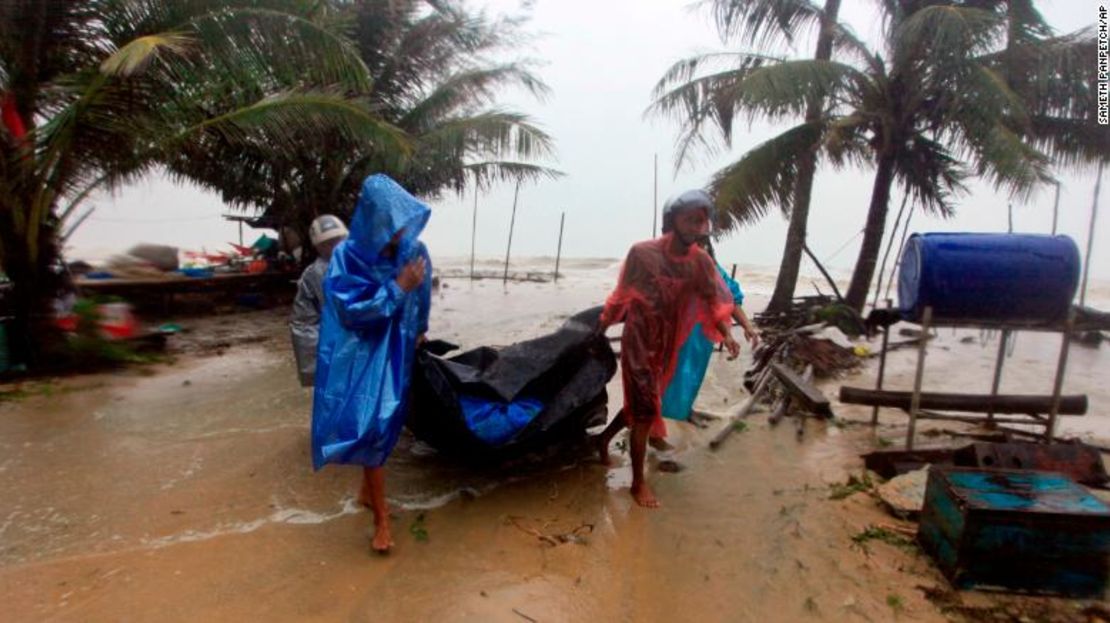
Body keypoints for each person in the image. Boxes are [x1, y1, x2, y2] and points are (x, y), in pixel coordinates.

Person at [595, 189, 740, 508]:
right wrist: (601, 329)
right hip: (639, 339)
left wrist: (726, 334)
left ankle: (604, 440)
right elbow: (620, 295)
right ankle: (637, 483)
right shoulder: (642, 253)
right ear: (671, 220)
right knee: (645, 407)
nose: (697, 226)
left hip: (668, 342)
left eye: (702, 221)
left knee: (644, 403)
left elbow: (713, 301)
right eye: (690, 219)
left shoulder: (700, 262)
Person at [312, 174, 432, 554]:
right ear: (373, 218)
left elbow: (423, 295)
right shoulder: (348, 257)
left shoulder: (414, 250)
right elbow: (350, 311)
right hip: (361, 349)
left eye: (402, 222)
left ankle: (368, 489)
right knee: (372, 424)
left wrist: (420, 329)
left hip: (396, 345)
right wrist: (398, 287)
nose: (398, 232)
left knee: (387, 422)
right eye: (390, 222)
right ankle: (381, 519)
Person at [290, 214, 349, 387]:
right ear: (319, 247)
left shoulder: (359, 264)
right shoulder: (315, 274)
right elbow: (303, 323)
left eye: (338, 240)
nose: (335, 246)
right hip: (336, 349)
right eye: (329, 243)